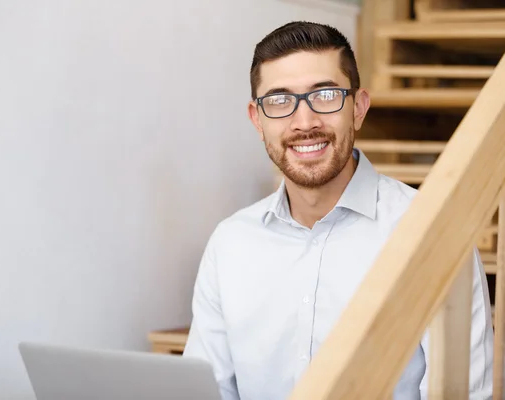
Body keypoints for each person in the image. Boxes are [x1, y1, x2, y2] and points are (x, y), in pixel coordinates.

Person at [182, 21, 494, 399]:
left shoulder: (430, 234)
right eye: (280, 101)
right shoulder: (230, 244)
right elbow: (204, 391)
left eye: (325, 95)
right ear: (257, 120)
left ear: (359, 108)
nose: (305, 122)